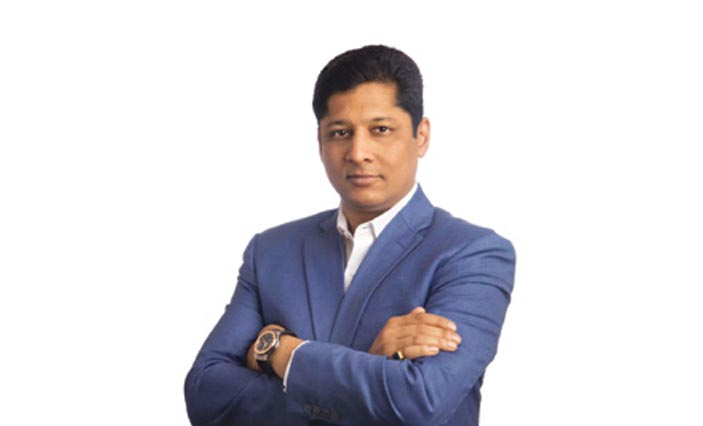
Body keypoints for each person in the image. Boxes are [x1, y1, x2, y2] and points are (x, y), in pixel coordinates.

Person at [184, 45, 516, 426]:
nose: (358, 152)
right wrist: (369, 366)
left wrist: (281, 352)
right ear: (320, 141)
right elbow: (205, 394)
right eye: (340, 133)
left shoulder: (473, 254)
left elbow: (421, 401)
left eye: (381, 130)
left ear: (421, 136)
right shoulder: (271, 252)